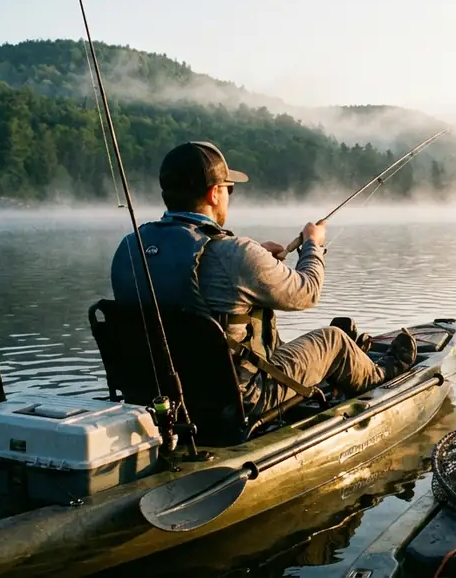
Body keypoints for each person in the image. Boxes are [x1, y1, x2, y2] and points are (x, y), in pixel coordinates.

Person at [110, 140, 416, 421]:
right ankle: (382, 372)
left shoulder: (128, 249)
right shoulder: (236, 255)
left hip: (161, 397)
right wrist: (313, 245)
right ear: (213, 192)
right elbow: (308, 292)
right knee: (333, 340)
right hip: (239, 399)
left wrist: (255, 254)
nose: (228, 196)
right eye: (229, 188)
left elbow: (194, 278)